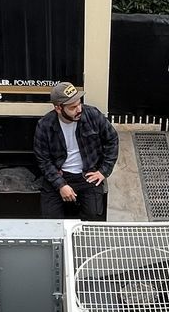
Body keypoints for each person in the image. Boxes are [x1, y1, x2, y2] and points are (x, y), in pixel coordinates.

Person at [34, 81, 118, 220]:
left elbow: (112, 139)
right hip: (59, 174)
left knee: (93, 217)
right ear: (58, 108)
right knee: (50, 221)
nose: (79, 109)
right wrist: (60, 184)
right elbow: (43, 159)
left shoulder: (92, 115)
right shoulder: (45, 125)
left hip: (87, 174)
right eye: (73, 107)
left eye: (79, 103)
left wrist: (104, 171)